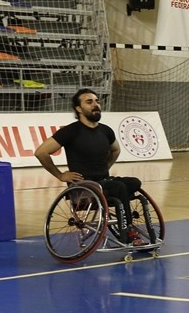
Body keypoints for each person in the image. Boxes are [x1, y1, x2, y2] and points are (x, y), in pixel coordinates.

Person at [34, 88, 146, 245]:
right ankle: (128, 231)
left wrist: (104, 168)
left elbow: (116, 150)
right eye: (89, 102)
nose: (96, 105)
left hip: (103, 182)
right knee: (119, 187)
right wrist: (60, 175)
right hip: (83, 187)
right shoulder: (71, 131)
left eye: (97, 101)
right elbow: (41, 152)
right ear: (79, 109)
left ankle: (124, 220)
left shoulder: (106, 131)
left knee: (134, 182)